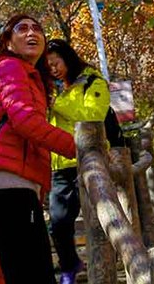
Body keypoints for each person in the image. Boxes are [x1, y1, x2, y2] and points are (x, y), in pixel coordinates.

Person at [0, 14, 76, 284]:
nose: (32, 33)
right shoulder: (10, 68)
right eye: (22, 29)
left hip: (12, 191)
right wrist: (78, 147)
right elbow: (24, 121)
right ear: (8, 42)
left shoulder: (29, 75)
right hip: (9, 192)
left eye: (37, 29)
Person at [45, 38, 110, 284]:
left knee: (100, 219)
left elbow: (93, 116)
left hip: (90, 161)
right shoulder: (54, 88)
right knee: (59, 223)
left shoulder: (92, 81)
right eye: (48, 65)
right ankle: (70, 265)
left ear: (68, 58)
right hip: (59, 165)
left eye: (55, 62)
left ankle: (106, 268)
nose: (52, 68)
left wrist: (57, 105)